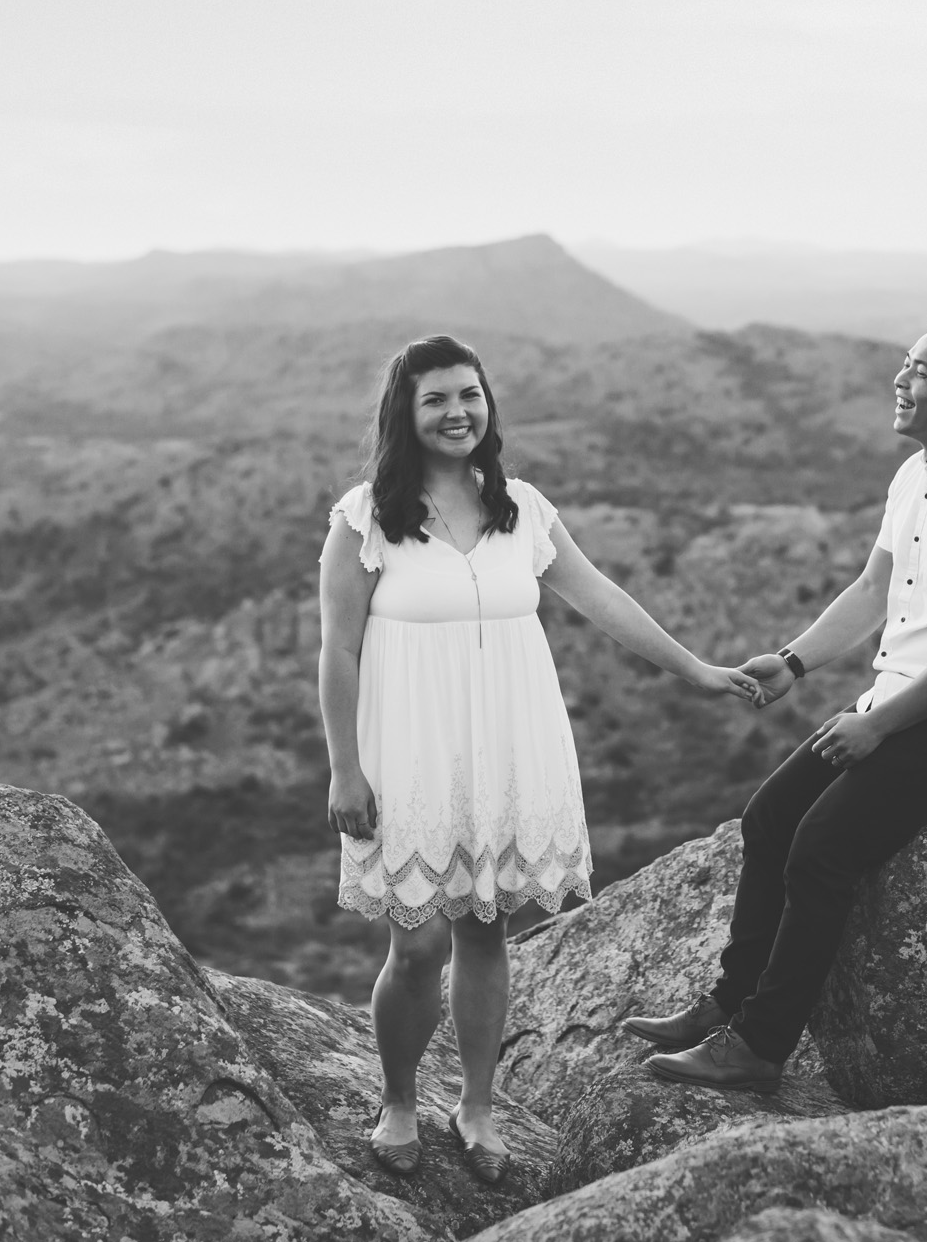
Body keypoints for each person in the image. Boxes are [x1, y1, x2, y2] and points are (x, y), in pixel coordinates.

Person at [317, 334, 759, 1180]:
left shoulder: (522, 507)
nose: (458, 413)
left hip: (512, 746)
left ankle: (477, 1106)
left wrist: (697, 670)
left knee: (488, 935)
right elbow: (338, 653)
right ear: (404, 415)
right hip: (408, 752)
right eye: (437, 399)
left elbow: (602, 599)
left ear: (489, 404)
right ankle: (399, 1099)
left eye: (469, 395)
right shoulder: (365, 518)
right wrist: (345, 767)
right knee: (415, 947)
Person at [621, 313, 927, 1092]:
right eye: (906, 364)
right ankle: (725, 1002)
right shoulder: (915, 476)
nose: (901, 380)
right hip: (893, 702)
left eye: (922, 372)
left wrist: (876, 726)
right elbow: (871, 591)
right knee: (767, 820)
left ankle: (759, 1044)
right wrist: (794, 661)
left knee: (820, 848)